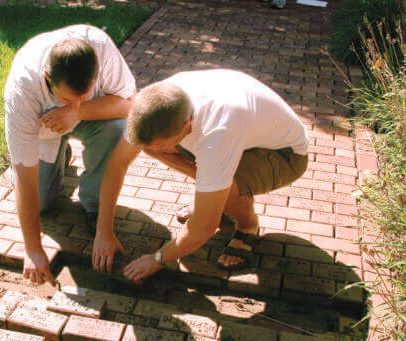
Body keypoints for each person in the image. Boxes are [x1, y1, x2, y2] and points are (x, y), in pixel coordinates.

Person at [92, 69, 308, 282]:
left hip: (285, 155)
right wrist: (104, 233)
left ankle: (247, 226)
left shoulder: (217, 133)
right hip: (239, 133)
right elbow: (116, 165)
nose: (158, 150)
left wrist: (156, 259)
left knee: (226, 185)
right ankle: (213, 196)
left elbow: (204, 227)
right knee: (149, 147)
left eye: (163, 144)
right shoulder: (153, 106)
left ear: (186, 126)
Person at [5, 25, 136, 286]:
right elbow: (26, 180)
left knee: (119, 129)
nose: (72, 102)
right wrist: (32, 249)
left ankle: (94, 205)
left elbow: (131, 104)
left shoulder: (102, 50)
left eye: (82, 95)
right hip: (43, 127)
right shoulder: (22, 89)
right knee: (40, 202)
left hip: (93, 117)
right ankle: (57, 156)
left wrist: (78, 111)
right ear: (47, 77)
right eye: (66, 98)